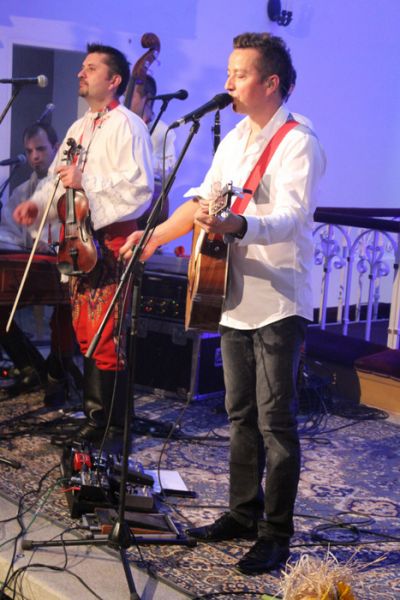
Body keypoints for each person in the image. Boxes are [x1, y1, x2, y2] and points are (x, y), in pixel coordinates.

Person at [120, 32, 326, 574]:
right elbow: (201, 202)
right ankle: (241, 512)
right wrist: (153, 238)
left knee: (275, 421)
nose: (228, 83)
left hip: (278, 299)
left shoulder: (299, 141)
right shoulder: (234, 137)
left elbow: (291, 218)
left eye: (239, 74)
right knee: (240, 414)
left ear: (271, 82)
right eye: (229, 73)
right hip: (232, 295)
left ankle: (276, 533)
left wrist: (237, 224)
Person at [14, 43, 154, 441]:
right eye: (81, 67)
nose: (81, 73)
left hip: (112, 242)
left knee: (107, 335)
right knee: (86, 333)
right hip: (78, 242)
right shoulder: (78, 128)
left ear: (114, 80)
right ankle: (96, 416)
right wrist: (38, 205)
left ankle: (110, 426)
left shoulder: (129, 125)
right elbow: (59, 181)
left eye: (90, 68)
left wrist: (86, 181)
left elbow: (140, 188)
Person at [0, 122, 77, 403]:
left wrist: (51, 246)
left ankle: (59, 374)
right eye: (29, 150)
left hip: (61, 264)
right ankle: (31, 367)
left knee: (64, 310)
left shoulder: (69, 188)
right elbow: (7, 232)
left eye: (41, 149)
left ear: (56, 148)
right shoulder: (21, 192)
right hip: (28, 266)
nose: (34, 156)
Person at [130, 74, 176, 228]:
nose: (125, 100)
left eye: (131, 95)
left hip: (149, 202)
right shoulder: (122, 128)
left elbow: (168, 169)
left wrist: (142, 158)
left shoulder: (163, 131)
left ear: (147, 98)